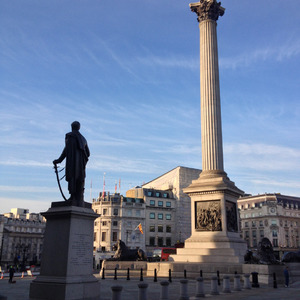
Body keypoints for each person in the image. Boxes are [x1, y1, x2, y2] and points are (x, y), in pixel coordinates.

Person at [53, 121, 90, 206]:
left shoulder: (70, 136)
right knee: (80, 179)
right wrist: (82, 160)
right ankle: (79, 197)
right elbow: (88, 153)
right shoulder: (84, 139)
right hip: (81, 165)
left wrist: (59, 160)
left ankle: (73, 197)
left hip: (73, 163)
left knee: (73, 177)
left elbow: (67, 149)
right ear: (79, 127)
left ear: (71, 127)